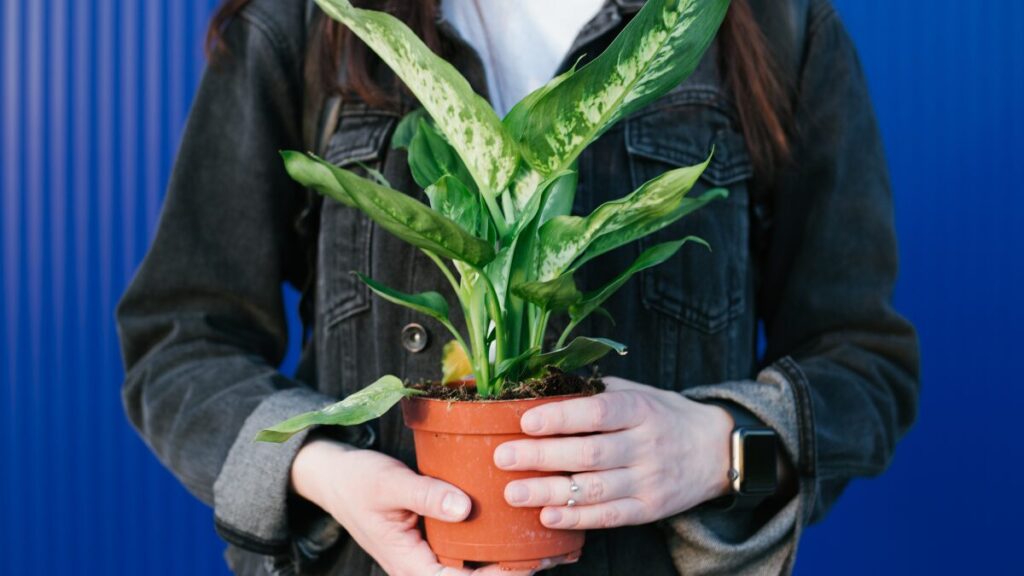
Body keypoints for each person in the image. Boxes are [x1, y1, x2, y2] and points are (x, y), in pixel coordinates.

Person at [117, 0, 920, 574]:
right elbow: (181, 342)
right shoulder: (306, 24)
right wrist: (326, 472)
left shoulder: (775, 25)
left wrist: (720, 447)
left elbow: (864, 365)